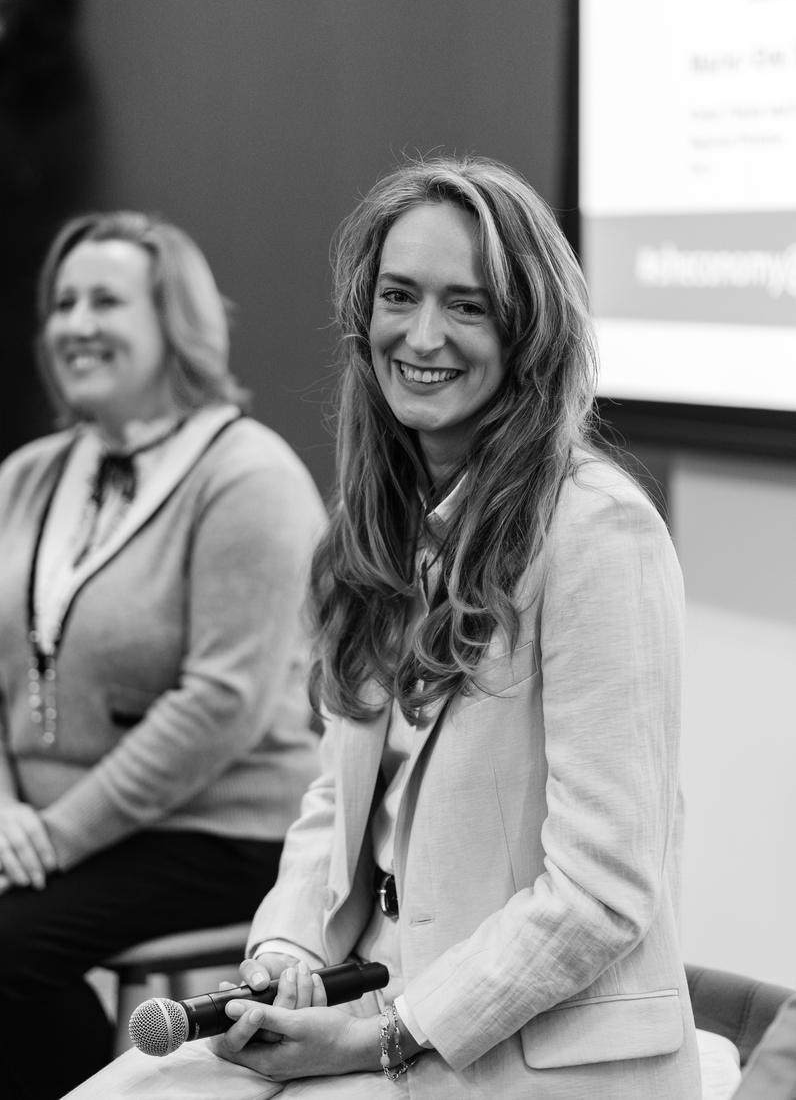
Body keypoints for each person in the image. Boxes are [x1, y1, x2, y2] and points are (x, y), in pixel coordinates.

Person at [67, 157, 701, 1100]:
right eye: (399, 296)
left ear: (530, 331)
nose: (423, 334)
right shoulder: (381, 528)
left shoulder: (600, 533)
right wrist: (284, 954)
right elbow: (336, 799)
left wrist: (386, 1035)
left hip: (520, 1054)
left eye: (467, 305)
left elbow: (601, 892)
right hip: (372, 1010)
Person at [0, 212, 326, 1099]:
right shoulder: (29, 474)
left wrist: (52, 837)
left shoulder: (247, 477)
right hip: (41, 829)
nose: (75, 324)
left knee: (5, 951)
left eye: (105, 301)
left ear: (175, 323)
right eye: (63, 303)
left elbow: (218, 704)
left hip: (215, 828)